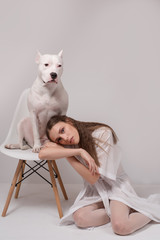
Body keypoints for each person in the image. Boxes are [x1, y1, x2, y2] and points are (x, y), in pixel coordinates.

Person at [38, 115, 160, 235]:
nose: (64, 138)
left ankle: (149, 211)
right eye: (59, 139)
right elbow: (42, 154)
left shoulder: (102, 133)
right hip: (96, 189)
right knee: (80, 218)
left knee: (121, 227)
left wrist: (65, 154)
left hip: (116, 186)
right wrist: (78, 151)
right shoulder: (70, 146)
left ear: (69, 121)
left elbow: (93, 177)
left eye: (62, 130)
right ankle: (118, 210)